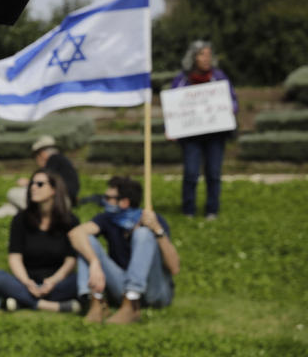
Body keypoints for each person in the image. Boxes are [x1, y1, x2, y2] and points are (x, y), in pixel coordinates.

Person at [68, 176, 180, 325]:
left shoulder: (153, 220)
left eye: (109, 198)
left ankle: (132, 304)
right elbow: (75, 234)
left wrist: (157, 230)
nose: (104, 201)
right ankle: (96, 302)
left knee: (143, 234)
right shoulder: (108, 218)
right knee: (86, 241)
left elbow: (174, 268)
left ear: (124, 202)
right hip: (121, 287)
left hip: (155, 292)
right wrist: (94, 262)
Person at [0, 170, 80, 313]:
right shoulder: (21, 219)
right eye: (32, 183)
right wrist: (27, 282)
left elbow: (71, 259)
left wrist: (53, 281)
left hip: (57, 282)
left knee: (85, 277)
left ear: (54, 189)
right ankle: (50, 306)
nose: (33, 187)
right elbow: (15, 256)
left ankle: (20, 301)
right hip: (27, 282)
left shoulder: (70, 221)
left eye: (40, 184)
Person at [171, 40, 238, 220]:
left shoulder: (219, 77)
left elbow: (233, 99)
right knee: (191, 173)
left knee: (214, 173)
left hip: (215, 135)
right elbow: (173, 106)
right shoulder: (182, 80)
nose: (206, 58)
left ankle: (212, 210)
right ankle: (188, 210)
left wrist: (230, 109)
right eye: (202, 54)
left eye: (209, 54)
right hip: (191, 136)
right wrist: (171, 126)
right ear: (193, 57)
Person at [0, 134, 79, 219]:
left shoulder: (54, 159)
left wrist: (29, 183)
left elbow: (47, 182)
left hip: (59, 203)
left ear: (43, 154)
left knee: (13, 193)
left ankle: (42, 216)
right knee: (11, 208)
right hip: (61, 202)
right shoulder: (62, 162)